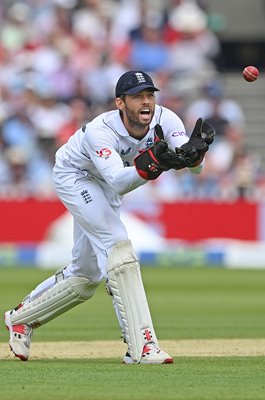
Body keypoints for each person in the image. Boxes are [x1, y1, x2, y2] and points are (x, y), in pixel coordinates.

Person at [4, 70, 214, 364]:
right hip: (76, 177)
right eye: (137, 96)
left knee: (85, 276)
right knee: (118, 245)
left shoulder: (166, 119)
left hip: (108, 183)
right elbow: (118, 180)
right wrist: (153, 163)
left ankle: (20, 319)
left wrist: (196, 155)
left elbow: (194, 168)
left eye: (150, 95)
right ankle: (142, 346)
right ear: (120, 103)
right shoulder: (100, 130)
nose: (146, 102)